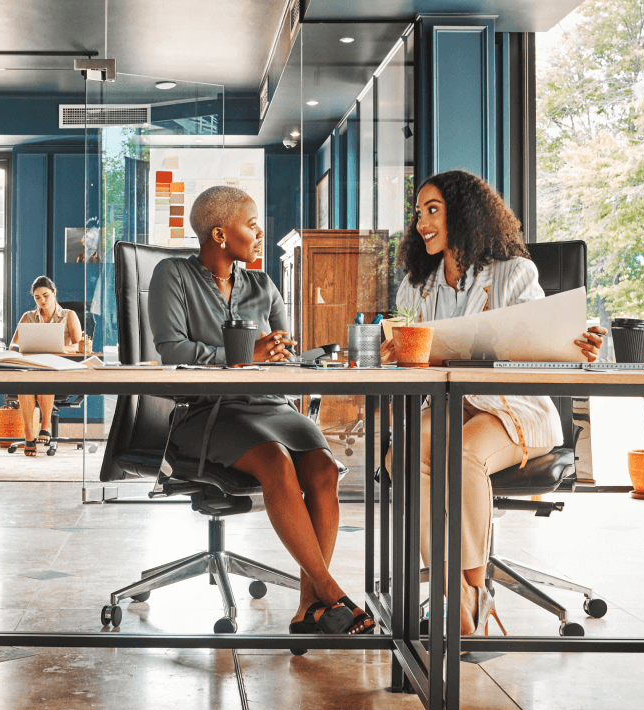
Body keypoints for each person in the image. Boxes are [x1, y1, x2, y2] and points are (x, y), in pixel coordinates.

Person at [383, 169, 607, 636]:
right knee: (401, 452)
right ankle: (454, 593)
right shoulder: (416, 285)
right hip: (453, 405)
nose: (421, 222)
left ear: (462, 214)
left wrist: (578, 342)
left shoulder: (513, 273)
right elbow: (415, 354)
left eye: (432, 210)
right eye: (418, 212)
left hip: (511, 407)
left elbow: (546, 339)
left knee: (461, 455)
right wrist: (396, 353)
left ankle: (463, 596)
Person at [149, 185, 374, 638]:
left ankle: (308, 607)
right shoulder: (172, 275)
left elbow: (283, 355)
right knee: (274, 460)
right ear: (219, 234)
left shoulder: (262, 284)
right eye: (250, 225)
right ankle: (331, 594)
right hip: (206, 412)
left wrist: (286, 358)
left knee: (324, 469)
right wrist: (243, 355)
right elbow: (172, 349)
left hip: (270, 404)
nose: (259, 232)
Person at [10, 276, 83, 457]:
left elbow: (80, 346)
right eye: (37, 297)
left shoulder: (68, 315)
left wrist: (60, 348)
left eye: (45, 295)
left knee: (43, 375)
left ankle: (46, 425)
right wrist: (22, 350)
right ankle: (29, 436)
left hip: (57, 370)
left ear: (54, 293)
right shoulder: (28, 317)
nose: (42, 300)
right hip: (32, 367)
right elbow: (13, 345)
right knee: (27, 380)